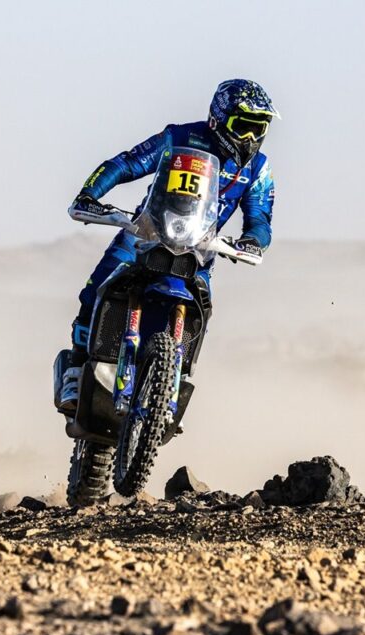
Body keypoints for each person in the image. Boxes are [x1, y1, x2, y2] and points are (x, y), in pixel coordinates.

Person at [57, 79, 279, 412]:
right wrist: (89, 194)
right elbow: (127, 163)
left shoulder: (259, 169)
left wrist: (253, 240)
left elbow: (260, 218)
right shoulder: (179, 137)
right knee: (95, 289)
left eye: (258, 128)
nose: (250, 137)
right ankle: (76, 368)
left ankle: (171, 385)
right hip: (144, 235)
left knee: (201, 312)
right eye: (243, 126)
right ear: (219, 119)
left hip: (199, 251)